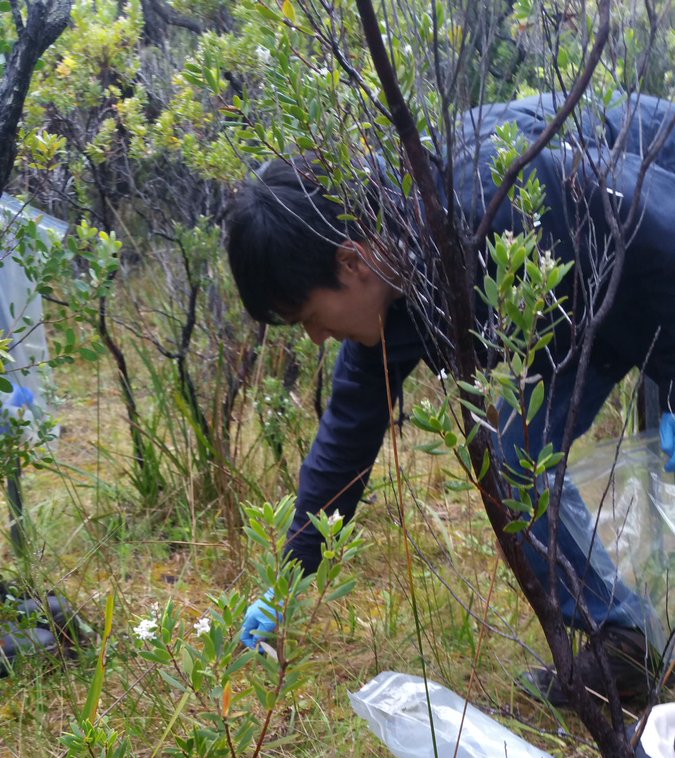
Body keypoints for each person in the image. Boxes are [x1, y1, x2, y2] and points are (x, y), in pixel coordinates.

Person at [227, 92, 675, 706]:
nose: (316, 337)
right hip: (587, 297)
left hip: (649, 221)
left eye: (309, 315)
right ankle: (625, 644)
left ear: (352, 261)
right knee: (515, 455)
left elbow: (662, 255)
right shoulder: (392, 273)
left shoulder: (496, 200)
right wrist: (289, 577)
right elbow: (349, 432)